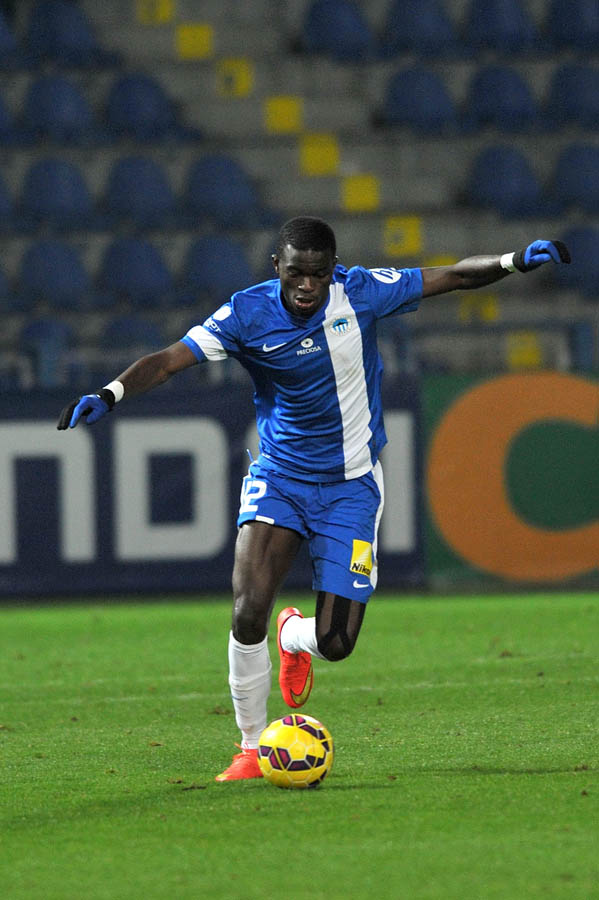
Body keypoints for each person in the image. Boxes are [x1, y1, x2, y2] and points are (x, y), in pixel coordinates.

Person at [57, 217, 570, 781]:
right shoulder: (246, 314)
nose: (307, 286)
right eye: (296, 273)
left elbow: (451, 276)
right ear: (276, 266)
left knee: (336, 642)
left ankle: (293, 636)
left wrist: (511, 261)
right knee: (247, 607)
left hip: (352, 487)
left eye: (319, 274)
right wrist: (112, 392)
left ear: (333, 270)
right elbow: (168, 360)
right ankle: (251, 748)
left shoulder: (362, 292)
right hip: (279, 478)